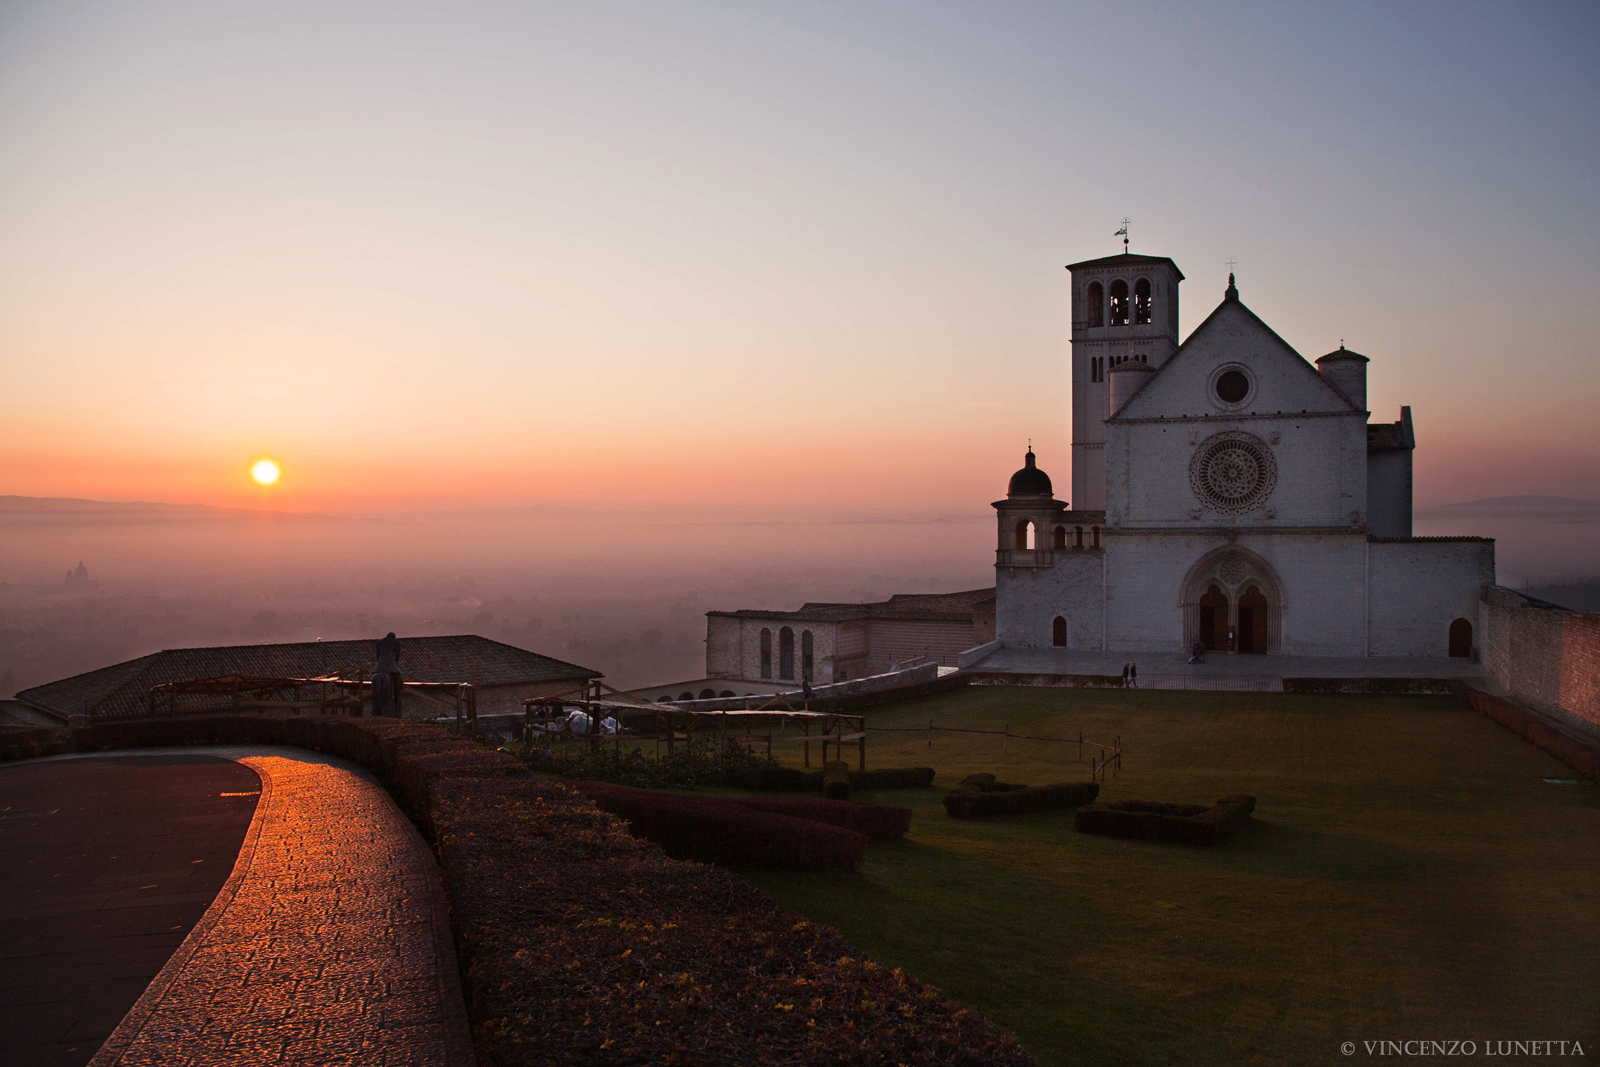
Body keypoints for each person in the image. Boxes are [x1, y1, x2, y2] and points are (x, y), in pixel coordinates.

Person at [374, 632, 403, 717]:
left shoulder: (379, 642)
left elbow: (378, 656)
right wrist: (395, 664)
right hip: (391, 666)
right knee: (397, 680)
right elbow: (397, 655)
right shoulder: (396, 642)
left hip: (379, 667)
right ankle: (397, 697)